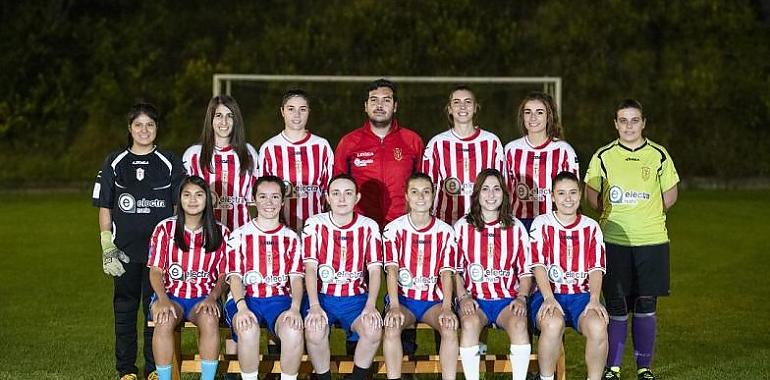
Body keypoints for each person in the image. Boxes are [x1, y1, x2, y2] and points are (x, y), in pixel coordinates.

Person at [584, 99, 679, 380]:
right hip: (614, 242)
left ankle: (643, 368)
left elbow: (670, 196)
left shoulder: (659, 155)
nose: (628, 125)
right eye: (623, 120)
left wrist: (645, 214)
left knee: (645, 303)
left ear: (643, 123)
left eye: (634, 120)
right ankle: (612, 368)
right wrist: (617, 214)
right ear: (615, 124)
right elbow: (592, 195)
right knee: (615, 305)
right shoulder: (603, 155)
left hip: (652, 241)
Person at [92, 102, 186, 380]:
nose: (144, 130)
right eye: (138, 125)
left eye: (150, 124)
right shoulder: (114, 161)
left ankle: (155, 368)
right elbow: (105, 206)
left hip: (159, 255)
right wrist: (106, 244)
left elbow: (178, 208)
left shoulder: (169, 161)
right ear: (130, 128)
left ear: (157, 128)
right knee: (124, 310)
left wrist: (173, 246)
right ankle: (126, 370)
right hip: (124, 253)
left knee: (155, 310)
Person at [223, 175, 305, 380]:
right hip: (245, 299)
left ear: (283, 201)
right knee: (248, 328)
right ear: (254, 200)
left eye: (275, 196)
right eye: (263, 196)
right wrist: (241, 307)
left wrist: (295, 308)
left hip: (279, 300)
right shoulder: (239, 235)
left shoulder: (291, 237)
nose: (269, 202)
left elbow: (296, 279)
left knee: (294, 330)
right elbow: (234, 277)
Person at [147, 176, 229, 380]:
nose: (193, 200)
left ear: (207, 200)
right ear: (180, 199)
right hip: (171, 295)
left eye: (199, 195)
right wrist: (163, 299)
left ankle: (207, 378)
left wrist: (213, 297)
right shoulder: (165, 229)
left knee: (210, 318)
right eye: (187, 195)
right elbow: (155, 271)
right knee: (164, 318)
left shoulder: (221, 232)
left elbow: (223, 274)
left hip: (202, 297)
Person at [303, 174, 383, 380]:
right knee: (314, 329)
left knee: (373, 329)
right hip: (322, 297)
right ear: (327, 198)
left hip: (355, 299)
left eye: (348, 193)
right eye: (336, 193)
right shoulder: (315, 224)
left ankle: (356, 378)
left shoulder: (369, 226)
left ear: (357, 198)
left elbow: (374, 270)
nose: (342, 199)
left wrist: (371, 304)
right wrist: (313, 305)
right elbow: (310, 269)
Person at [453, 168, 532, 380]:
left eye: (496, 189)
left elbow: (525, 272)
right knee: (469, 324)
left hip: (506, 300)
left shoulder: (515, 227)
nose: (491, 194)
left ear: (504, 194)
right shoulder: (463, 226)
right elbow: (455, 271)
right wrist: (463, 297)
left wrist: (522, 298)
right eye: (485, 189)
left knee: (519, 323)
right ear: (477, 194)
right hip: (475, 299)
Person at [528, 171, 608, 380]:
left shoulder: (591, 227)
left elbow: (596, 268)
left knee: (598, 325)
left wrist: (594, 299)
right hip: (549, 293)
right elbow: (538, 266)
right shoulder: (541, 223)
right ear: (552, 196)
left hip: (581, 296)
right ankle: (545, 378)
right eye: (561, 193)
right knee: (553, 323)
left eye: (573, 192)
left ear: (580, 195)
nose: (568, 198)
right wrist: (548, 297)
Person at [382, 173, 459, 380]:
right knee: (391, 326)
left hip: (432, 302)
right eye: (415, 192)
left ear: (433, 195)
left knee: (449, 328)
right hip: (404, 300)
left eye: (426, 192)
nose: (421, 197)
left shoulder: (445, 231)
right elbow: (391, 270)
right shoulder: (393, 229)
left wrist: (446, 307)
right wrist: (395, 305)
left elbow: (446, 273)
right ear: (406, 196)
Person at [333, 78, 424, 228]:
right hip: (361, 226)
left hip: (403, 225)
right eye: (374, 100)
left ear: (395, 106)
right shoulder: (349, 142)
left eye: (386, 100)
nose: (379, 105)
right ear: (366, 106)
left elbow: (423, 184)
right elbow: (337, 186)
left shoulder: (412, 141)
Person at [423, 85, 505, 225]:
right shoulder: (437, 143)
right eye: (456, 102)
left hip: (483, 224)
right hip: (446, 223)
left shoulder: (491, 142)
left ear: (475, 108)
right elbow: (427, 187)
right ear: (450, 109)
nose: (462, 106)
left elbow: (502, 185)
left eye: (468, 102)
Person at [259, 89, 334, 232]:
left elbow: (330, 190)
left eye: (302, 109)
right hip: (280, 230)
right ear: (282, 111)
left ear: (309, 112)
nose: (297, 114)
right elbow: (261, 194)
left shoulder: (322, 146)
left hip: (317, 230)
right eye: (291, 109)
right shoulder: (269, 148)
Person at [504, 92, 579, 231]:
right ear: (522, 116)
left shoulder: (564, 151)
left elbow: (573, 192)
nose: (533, 117)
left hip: (554, 222)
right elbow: (504, 191)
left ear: (549, 116)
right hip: (519, 222)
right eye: (528, 112)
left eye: (539, 112)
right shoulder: (511, 150)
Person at [183, 95, 258, 232]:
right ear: (210, 119)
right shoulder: (193, 154)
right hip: (205, 233)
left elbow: (255, 199)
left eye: (229, 116)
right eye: (218, 115)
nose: (224, 121)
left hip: (240, 233)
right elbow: (184, 200)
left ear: (236, 120)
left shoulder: (249, 153)